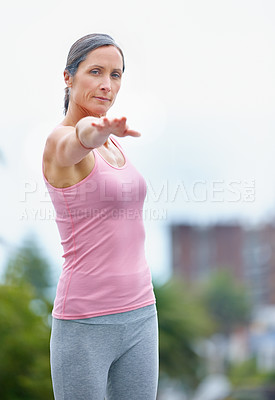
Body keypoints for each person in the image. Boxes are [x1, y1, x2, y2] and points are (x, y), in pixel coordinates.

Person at [42, 33, 159, 400]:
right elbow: (76, 140)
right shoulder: (60, 141)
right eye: (95, 72)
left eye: (116, 75)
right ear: (68, 77)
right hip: (84, 323)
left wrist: (103, 134)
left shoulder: (112, 140)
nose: (107, 85)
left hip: (141, 313)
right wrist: (93, 133)